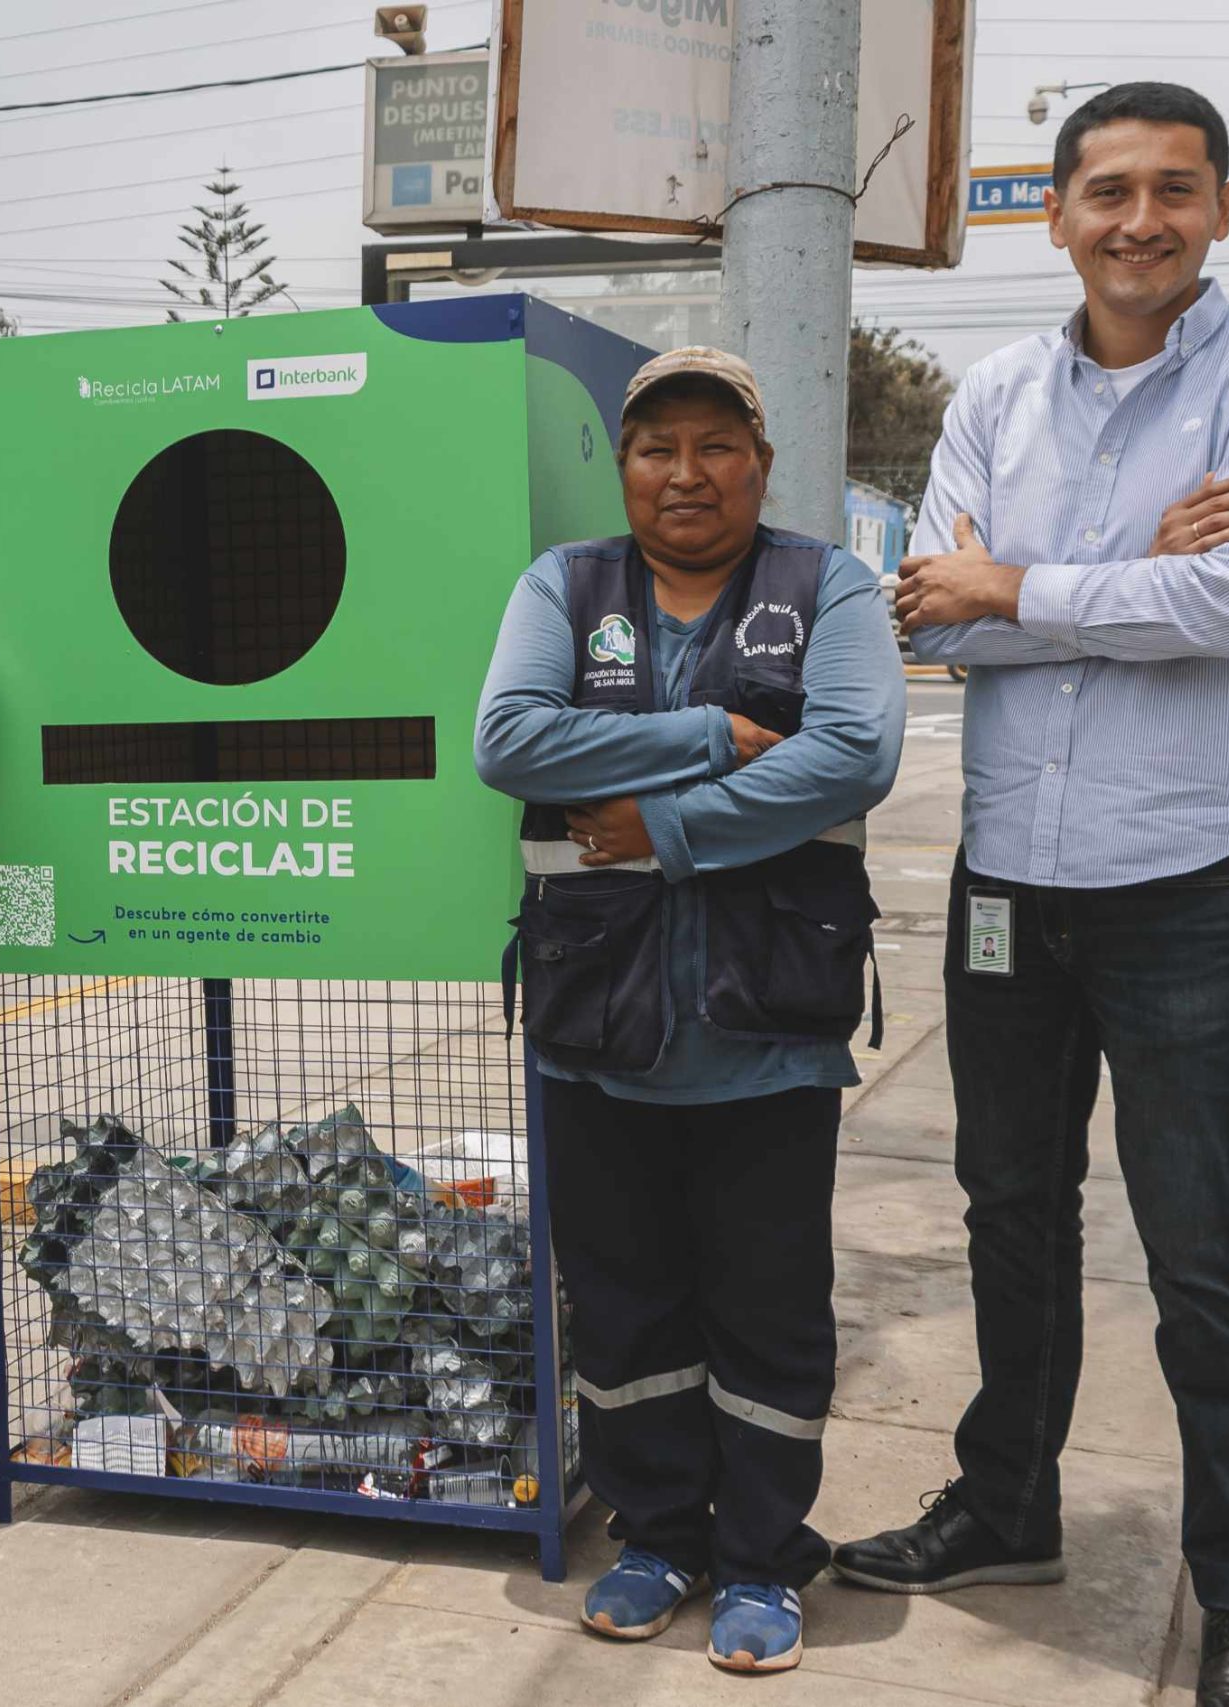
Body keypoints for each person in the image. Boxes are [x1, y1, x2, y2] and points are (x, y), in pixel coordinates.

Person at [829, 84, 1229, 1707]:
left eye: (1174, 190)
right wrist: (1132, 570)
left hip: (1192, 881)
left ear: (1223, 208)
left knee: (1200, 1244)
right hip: (1010, 879)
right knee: (1009, 1211)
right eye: (1107, 190)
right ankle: (1009, 1503)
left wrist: (1031, 578)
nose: (1140, 220)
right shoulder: (995, 394)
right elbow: (932, 612)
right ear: (1057, 214)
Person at [475, 347, 904, 1675]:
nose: (686, 472)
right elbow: (510, 739)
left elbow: (855, 750)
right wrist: (714, 735)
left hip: (766, 1031)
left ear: (761, 465)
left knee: (767, 1309)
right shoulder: (567, 586)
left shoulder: (826, 587)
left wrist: (658, 827)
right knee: (621, 1302)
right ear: (624, 465)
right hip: (596, 1021)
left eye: (717, 445)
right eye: (657, 447)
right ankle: (657, 1533)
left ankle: (764, 1555)